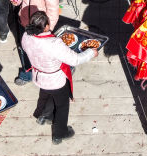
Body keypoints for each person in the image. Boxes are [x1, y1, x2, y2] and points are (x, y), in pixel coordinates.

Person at [20, 11, 98, 144]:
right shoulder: (53, 43)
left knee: (45, 96)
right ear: (46, 26)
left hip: (39, 76)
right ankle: (59, 134)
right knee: (62, 105)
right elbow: (75, 60)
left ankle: (43, 115)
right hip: (55, 80)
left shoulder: (26, 36)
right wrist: (91, 52)